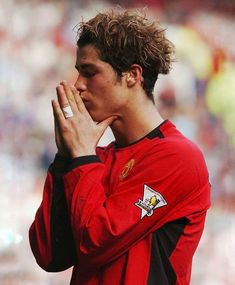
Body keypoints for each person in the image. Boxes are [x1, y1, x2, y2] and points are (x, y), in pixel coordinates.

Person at [29, 8, 211, 285]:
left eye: (90, 72)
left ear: (132, 76)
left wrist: (79, 158)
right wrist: (65, 159)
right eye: (79, 72)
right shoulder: (93, 159)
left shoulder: (178, 158)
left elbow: (95, 241)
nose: (78, 85)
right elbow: (49, 255)